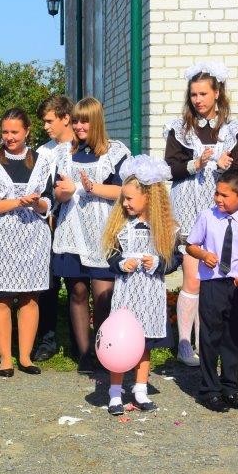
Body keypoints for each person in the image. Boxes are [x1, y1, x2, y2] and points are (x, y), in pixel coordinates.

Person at [164, 61, 238, 367]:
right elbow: (170, 168)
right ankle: (184, 343)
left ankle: (206, 343)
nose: (198, 100)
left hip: (219, 208)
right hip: (189, 206)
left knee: (212, 279)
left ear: (217, 93)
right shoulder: (181, 129)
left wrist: (228, 166)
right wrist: (195, 164)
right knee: (193, 278)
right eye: (193, 94)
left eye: (203, 94)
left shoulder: (232, 130)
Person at [0, 108, 54, 377]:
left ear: (27, 131)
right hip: (0, 236)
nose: (9, 137)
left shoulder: (42, 161)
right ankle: (5, 358)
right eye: (5, 132)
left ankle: (26, 357)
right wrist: (19, 201)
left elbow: (49, 202)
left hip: (32, 236)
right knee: (1, 296)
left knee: (30, 296)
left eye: (15, 132)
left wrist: (37, 203)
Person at [51, 97, 131, 371]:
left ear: (96, 121)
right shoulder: (64, 153)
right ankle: (85, 354)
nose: (79, 126)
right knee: (77, 292)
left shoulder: (115, 152)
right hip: (72, 229)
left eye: (84, 121)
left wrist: (90, 187)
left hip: (103, 231)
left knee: (103, 296)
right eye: (75, 121)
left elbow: (123, 190)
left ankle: (105, 351)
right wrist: (64, 192)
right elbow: (57, 192)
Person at [101, 155, 180, 414]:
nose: (125, 203)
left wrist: (158, 262)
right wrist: (121, 264)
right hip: (126, 295)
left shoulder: (164, 228)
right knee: (120, 341)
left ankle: (140, 389)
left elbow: (174, 259)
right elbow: (111, 254)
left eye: (130, 199)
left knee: (144, 343)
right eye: (123, 198)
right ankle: (115, 392)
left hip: (150, 294)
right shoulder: (122, 226)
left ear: (148, 197)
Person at [186, 171, 238, 413]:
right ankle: (209, 389)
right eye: (217, 193)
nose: (218, 199)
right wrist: (203, 254)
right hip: (212, 282)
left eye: (224, 195)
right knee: (210, 336)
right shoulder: (207, 216)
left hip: (236, 285)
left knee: (232, 336)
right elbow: (191, 245)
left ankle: (229, 386)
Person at [33, 94, 75, 363]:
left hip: (75, 224)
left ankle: (79, 341)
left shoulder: (79, 147)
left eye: (50, 121)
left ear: (66, 118)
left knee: (76, 285)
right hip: (49, 222)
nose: (46, 126)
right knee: (48, 285)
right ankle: (47, 340)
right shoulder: (43, 152)